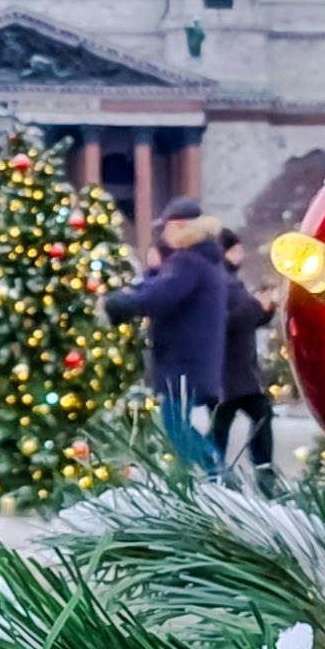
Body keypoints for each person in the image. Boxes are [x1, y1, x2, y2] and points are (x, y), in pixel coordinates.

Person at [103, 195, 229, 465]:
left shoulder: (187, 262)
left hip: (182, 363)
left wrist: (119, 304)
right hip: (195, 361)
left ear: (181, 227)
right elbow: (158, 287)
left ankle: (219, 482)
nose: (164, 233)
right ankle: (215, 481)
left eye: (167, 227)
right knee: (180, 427)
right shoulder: (205, 261)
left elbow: (160, 296)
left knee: (178, 430)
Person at [210, 224, 278, 486]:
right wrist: (255, 306)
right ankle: (228, 470)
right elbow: (224, 321)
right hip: (228, 371)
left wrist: (266, 309)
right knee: (228, 423)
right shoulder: (219, 282)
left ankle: (227, 470)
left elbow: (246, 319)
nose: (240, 255)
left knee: (245, 419)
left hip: (239, 370)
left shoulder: (230, 282)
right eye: (236, 249)